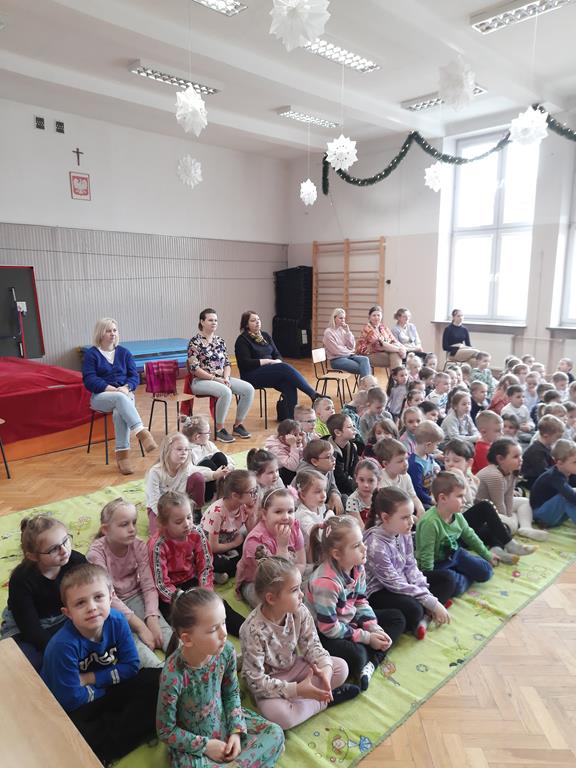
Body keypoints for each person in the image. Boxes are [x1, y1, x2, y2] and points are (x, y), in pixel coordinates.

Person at [41, 564, 160, 765]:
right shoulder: (62, 646)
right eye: (80, 603)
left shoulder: (118, 620)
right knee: (68, 735)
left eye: (98, 597)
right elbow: (70, 699)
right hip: (75, 704)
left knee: (157, 679)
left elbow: (131, 666)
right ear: (67, 612)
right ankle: (116, 740)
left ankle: (118, 734)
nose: (92, 607)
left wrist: (91, 678)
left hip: (96, 686)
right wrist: (109, 686)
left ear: (111, 597)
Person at [157, 588, 285, 767]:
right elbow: (166, 731)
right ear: (187, 639)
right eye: (213, 629)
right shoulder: (173, 675)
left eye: (223, 623)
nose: (224, 633)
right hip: (193, 743)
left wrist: (236, 732)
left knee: (275, 733)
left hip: (225, 721)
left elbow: (231, 693)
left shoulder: (227, 652)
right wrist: (206, 746)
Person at [240, 557, 358, 730]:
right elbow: (256, 682)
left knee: (341, 668)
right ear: (271, 598)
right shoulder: (251, 630)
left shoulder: (299, 611)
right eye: (295, 590)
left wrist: (325, 670)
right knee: (280, 717)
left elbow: (312, 646)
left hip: (295, 667)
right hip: (271, 679)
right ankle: (323, 701)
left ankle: (306, 700)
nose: (302, 595)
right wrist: (297, 690)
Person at [305, 515, 406, 690]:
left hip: (346, 621)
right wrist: (367, 638)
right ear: (337, 554)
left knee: (397, 618)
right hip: (323, 633)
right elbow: (329, 628)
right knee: (356, 656)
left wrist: (374, 628)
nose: (364, 548)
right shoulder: (325, 583)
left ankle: (371, 662)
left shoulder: (357, 565)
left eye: (362, 542)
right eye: (356, 545)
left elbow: (360, 601)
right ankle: (371, 659)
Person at [87, 498, 172, 669]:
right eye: (124, 524)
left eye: (134, 522)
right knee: (130, 641)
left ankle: (192, 663)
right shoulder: (96, 554)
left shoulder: (138, 545)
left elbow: (148, 585)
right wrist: (140, 627)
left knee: (164, 631)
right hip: (109, 606)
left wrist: (152, 618)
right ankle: (159, 674)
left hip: (135, 595)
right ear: (106, 530)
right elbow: (107, 596)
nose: (132, 529)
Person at [149, 491, 245, 635]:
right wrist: (184, 599)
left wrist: (206, 590)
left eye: (189, 517)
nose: (187, 524)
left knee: (217, 605)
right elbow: (161, 584)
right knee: (184, 622)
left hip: (191, 581)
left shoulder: (196, 533)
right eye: (178, 522)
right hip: (170, 593)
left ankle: (248, 630)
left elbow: (205, 566)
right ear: (163, 523)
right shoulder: (157, 545)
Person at [363, 488, 453, 639]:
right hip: (379, 591)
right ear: (385, 517)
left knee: (448, 579)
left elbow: (411, 566)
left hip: (402, 582)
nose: (411, 521)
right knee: (414, 609)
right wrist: (431, 602)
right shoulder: (375, 546)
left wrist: (427, 595)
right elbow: (394, 583)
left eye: (411, 514)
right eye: (405, 517)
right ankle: (424, 615)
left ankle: (425, 618)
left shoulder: (403, 532)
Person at [1, 515, 85, 670]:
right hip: (26, 625)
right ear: (33, 556)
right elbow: (30, 630)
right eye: (53, 549)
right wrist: (57, 651)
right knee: (21, 664)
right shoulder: (21, 580)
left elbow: (92, 594)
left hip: (66, 615)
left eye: (65, 541)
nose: (64, 550)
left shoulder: (77, 561)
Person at [82, 317, 157, 474]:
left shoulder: (124, 353)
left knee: (119, 411)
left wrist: (126, 387)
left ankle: (123, 457)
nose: (112, 334)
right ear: (100, 333)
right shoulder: (91, 354)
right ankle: (141, 432)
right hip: (101, 396)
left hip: (125, 393)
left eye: (114, 330)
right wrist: (111, 389)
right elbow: (89, 379)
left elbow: (134, 376)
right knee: (120, 398)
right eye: (108, 331)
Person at [443, 439, 535, 563]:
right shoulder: (445, 480)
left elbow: (471, 503)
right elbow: (466, 500)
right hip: (453, 527)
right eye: (447, 460)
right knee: (485, 506)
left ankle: (497, 549)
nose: (450, 464)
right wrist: (460, 477)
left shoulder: (472, 479)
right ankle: (510, 544)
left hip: (467, 527)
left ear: (469, 463)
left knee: (502, 528)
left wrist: (465, 478)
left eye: (456, 461)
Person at [415, 472, 496, 597]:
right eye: (460, 496)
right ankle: (462, 576)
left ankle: (462, 574)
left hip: (455, 555)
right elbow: (427, 557)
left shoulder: (457, 516)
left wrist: (487, 555)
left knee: (487, 571)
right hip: (437, 564)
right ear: (443, 498)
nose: (464, 500)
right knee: (455, 585)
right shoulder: (430, 523)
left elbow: (471, 537)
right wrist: (433, 580)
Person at [187, 307, 254, 443]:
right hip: (201, 381)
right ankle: (219, 429)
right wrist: (216, 379)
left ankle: (238, 426)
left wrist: (226, 378)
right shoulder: (195, 342)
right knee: (226, 392)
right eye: (210, 320)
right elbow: (195, 369)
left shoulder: (220, 341)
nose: (214, 323)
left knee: (249, 389)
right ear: (202, 322)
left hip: (221, 379)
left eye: (216, 320)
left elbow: (227, 364)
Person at [235, 310, 318, 419]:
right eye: (253, 320)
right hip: (251, 375)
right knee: (284, 367)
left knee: (289, 384)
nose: (257, 322)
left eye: (258, 319)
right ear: (246, 324)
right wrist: (268, 361)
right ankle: (313, 394)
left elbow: (277, 354)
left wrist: (277, 361)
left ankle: (291, 420)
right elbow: (245, 363)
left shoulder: (265, 336)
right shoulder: (242, 340)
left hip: (271, 371)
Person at [236, 488, 306, 608]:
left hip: (289, 576)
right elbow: (273, 578)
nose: (286, 517)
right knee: (275, 604)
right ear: (264, 514)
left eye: (290, 511)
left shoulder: (294, 528)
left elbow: (301, 563)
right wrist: (282, 547)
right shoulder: (256, 541)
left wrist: (293, 585)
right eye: (278, 512)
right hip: (257, 582)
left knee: (312, 586)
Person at [475, 438, 547, 541]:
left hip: (496, 506)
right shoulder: (494, 475)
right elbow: (499, 504)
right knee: (511, 524)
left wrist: (509, 515)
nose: (521, 459)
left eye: (520, 456)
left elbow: (508, 497)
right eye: (515, 457)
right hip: (483, 512)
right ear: (500, 459)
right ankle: (516, 524)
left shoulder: (512, 471)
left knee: (525, 502)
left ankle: (526, 528)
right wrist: (508, 518)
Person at [201, 470, 259, 582]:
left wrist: (252, 514)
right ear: (235, 495)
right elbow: (212, 547)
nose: (255, 495)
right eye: (252, 492)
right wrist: (234, 544)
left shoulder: (243, 506)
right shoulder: (216, 513)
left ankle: (230, 567)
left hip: (227, 543)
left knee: (253, 549)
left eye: (256, 490)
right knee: (224, 563)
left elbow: (252, 534)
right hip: (208, 549)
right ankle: (211, 572)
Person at [145, 432, 206, 534]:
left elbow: (180, 495)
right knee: (159, 533)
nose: (184, 453)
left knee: (198, 477)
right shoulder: (155, 472)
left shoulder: (184, 468)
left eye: (186, 449)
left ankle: (196, 512)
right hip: (159, 508)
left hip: (176, 503)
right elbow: (154, 501)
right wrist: (167, 518)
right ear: (168, 451)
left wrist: (181, 514)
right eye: (179, 449)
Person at [181, 415, 233, 501]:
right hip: (202, 489)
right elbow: (190, 472)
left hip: (215, 478)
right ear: (197, 437)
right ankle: (214, 493)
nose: (210, 434)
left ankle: (221, 488)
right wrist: (213, 474)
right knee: (207, 463)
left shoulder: (208, 444)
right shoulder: (186, 452)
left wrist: (229, 467)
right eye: (208, 432)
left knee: (219, 456)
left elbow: (223, 456)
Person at [531, 439, 576, 527]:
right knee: (565, 497)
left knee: (572, 491)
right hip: (541, 516)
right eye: (575, 462)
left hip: (555, 514)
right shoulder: (553, 476)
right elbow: (571, 497)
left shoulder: (568, 472)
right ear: (560, 463)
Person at [294, 469, 331, 561]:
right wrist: (330, 517)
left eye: (324, 490)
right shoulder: (302, 515)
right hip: (308, 556)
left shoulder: (319, 506)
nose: (324, 495)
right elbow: (317, 535)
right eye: (318, 491)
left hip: (319, 548)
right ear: (303, 495)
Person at [323, 307, 371, 378]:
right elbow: (336, 351)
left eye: (344, 318)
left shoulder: (342, 331)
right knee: (364, 368)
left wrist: (348, 331)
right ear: (334, 318)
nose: (343, 320)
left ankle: (365, 384)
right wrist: (348, 351)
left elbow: (351, 346)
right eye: (340, 318)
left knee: (365, 359)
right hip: (336, 360)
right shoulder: (328, 333)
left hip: (348, 356)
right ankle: (367, 384)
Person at [407, 421, 443, 510]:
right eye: (436, 445)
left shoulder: (428, 456)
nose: (437, 448)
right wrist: (431, 500)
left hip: (431, 492)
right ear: (428, 445)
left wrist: (436, 468)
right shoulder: (415, 464)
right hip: (423, 500)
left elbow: (433, 465)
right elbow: (417, 491)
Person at [264, 418, 304, 486]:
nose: (299, 438)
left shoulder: (293, 443)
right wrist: (293, 446)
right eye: (295, 435)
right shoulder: (276, 450)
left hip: (289, 470)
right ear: (282, 438)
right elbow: (293, 467)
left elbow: (305, 457)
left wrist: (304, 442)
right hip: (280, 476)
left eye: (300, 434)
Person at [326, 412, 358, 496]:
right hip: (336, 491)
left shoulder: (352, 446)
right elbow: (339, 480)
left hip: (350, 485)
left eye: (353, 426)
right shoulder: (330, 452)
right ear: (338, 432)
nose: (354, 429)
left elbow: (356, 468)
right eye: (349, 427)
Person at [345, 459, 382, 527]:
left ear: (378, 481)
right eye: (361, 480)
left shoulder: (381, 497)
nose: (366, 485)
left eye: (371, 480)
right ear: (356, 478)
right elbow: (361, 530)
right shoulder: (353, 500)